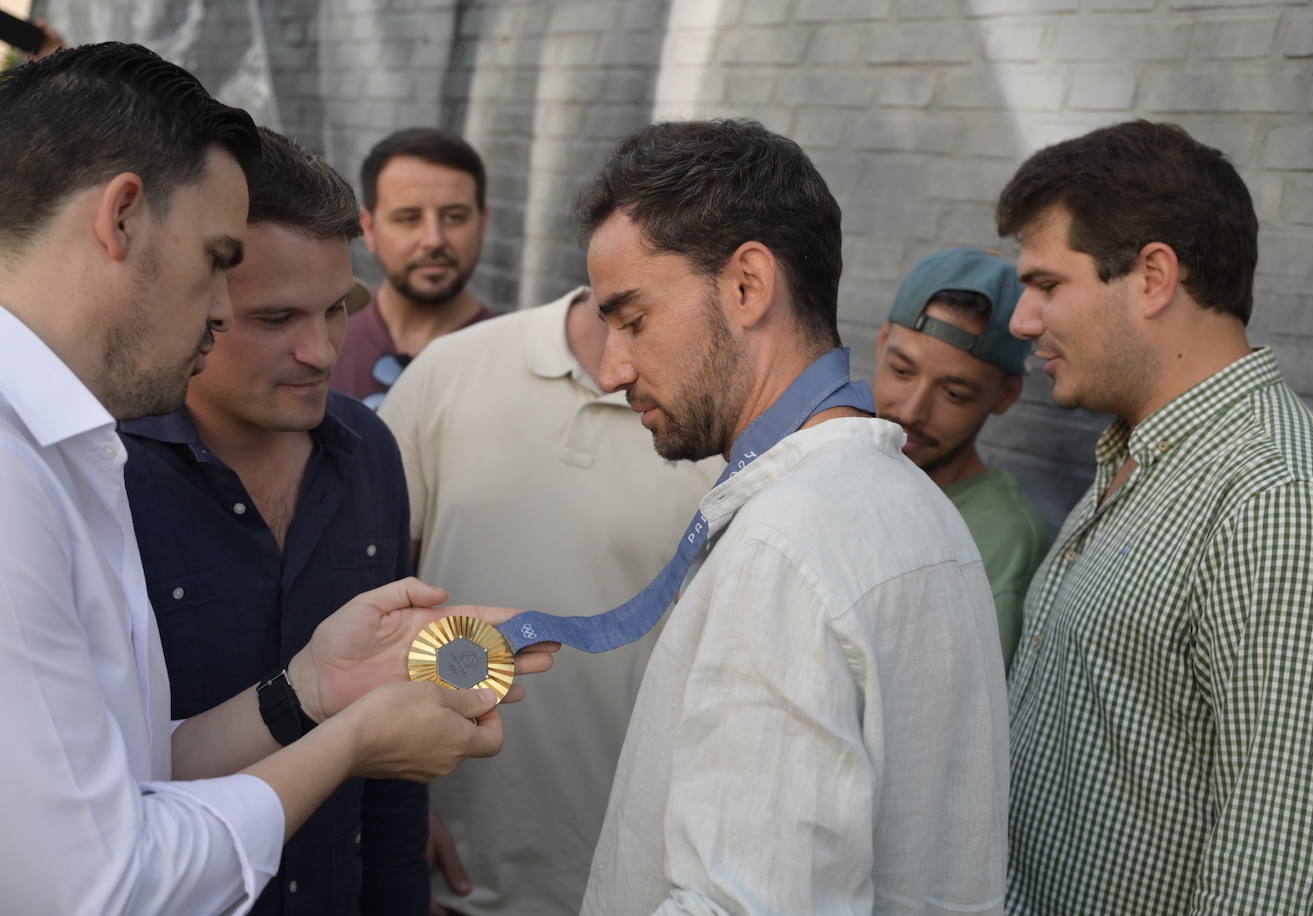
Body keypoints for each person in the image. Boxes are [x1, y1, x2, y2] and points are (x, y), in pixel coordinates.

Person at [0, 43, 551, 915]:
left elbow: (131, 779)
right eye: (221, 260)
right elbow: (102, 885)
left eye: (339, 310)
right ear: (123, 218)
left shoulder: (67, 446)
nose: (218, 309)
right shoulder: (20, 467)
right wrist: (353, 738)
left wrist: (313, 691)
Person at [575, 119, 1008, 915]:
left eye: (631, 318)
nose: (611, 369)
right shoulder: (912, 505)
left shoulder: (787, 545)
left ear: (747, 285)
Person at [999, 120, 1313, 913]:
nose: (1022, 322)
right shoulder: (1136, 457)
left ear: (1153, 276)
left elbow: (1285, 874)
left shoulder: (1283, 499)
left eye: (1047, 285)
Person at [120, 128, 428, 915]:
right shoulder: (100, 473)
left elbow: (388, 763)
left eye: (337, 309)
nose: (322, 350)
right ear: (195, 294)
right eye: (276, 317)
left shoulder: (368, 450)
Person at [379, 285, 721, 915]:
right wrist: (387, 802)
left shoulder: (727, 432)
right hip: (441, 881)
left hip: (628, 888)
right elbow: (360, 599)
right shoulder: (450, 369)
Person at [873, 247, 1050, 670]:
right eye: (901, 371)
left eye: (954, 393)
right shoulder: (829, 468)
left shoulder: (1001, 540)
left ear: (1005, 395)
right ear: (882, 344)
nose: (912, 411)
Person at [333, 128, 497, 405]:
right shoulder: (323, 341)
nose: (433, 240)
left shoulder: (512, 357)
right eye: (408, 218)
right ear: (369, 229)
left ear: (481, 224)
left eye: (455, 217)